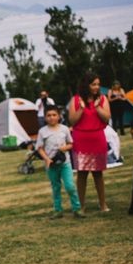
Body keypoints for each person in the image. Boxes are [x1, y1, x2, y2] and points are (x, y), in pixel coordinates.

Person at [68, 73, 111, 213]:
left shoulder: (103, 98)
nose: (97, 87)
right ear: (86, 85)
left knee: (98, 173)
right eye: (94, 84)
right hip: (81, 140)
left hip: (98, 138)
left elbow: (106, 119)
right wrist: (81, 108)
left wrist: (98, 107)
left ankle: (103, 204)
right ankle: (81, 206)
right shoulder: (75, 99)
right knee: (82, 173)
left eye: (98, 84)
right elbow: (72, 121)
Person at [36, 105, 84, 219]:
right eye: (48, 115)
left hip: (65, 164)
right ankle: (58, 210)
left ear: (59, 116)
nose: (51, 117)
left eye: (54, 115)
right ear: (45, 117)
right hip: (51, 165)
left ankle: (77, 209)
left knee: (70, 186)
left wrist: (65, 148)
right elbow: (39, 148)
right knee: (56, 187)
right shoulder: (42, 131)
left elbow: (71, 144)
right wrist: (47, 159)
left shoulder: (64, 129)